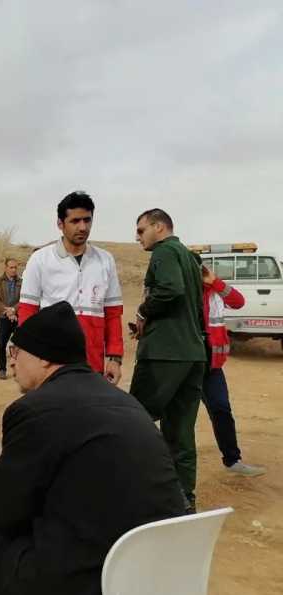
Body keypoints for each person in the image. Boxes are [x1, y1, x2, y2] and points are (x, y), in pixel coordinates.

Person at [0, 301, 185, 595]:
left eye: (16, 352)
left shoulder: (34, 409)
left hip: (78, 582)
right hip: (148, 576)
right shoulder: (127, 403)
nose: (12, 363)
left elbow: (3, 513)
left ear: (44, 358)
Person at [130, 209, 207, 511]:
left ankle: (134, 490)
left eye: (141, 230)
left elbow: (170, 290)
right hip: (193, 354)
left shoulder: (164, 252)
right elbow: (195, 306)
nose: (137, 237)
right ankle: (183, 499)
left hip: (164, 354)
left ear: (159, 227)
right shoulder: (189, 257)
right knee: (180, 431)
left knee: (133, 420)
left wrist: (143, 311)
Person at [18, 191, 124, 383]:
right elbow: (27, 311)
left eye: (87, 220)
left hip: (92, 361)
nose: (83, 227)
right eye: (75, 221)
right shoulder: (40, 259)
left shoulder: (105, 260)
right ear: (60, 224)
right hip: (51, 361)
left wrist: (115, 358)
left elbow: (113, 314)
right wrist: (26, 355)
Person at [200, 265, 266, 477]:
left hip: (211, 366)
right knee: (176, 414)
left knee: (221, 409)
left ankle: (232, 460)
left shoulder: (215, 290)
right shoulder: (181, 290)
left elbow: (238, 302)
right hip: (186, 364)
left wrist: (214, 282)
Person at [0, 258, 21, 380]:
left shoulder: (22, 282)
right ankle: (2, 369)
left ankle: (18, 369)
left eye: (15, 267)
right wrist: (7, 311)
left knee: (19, 344)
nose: (13, 270)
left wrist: (14, 310)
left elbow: (24, 298)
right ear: (6, 268)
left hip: (17, 317)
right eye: (11, 267)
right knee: (1, 344)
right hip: (2, 317)